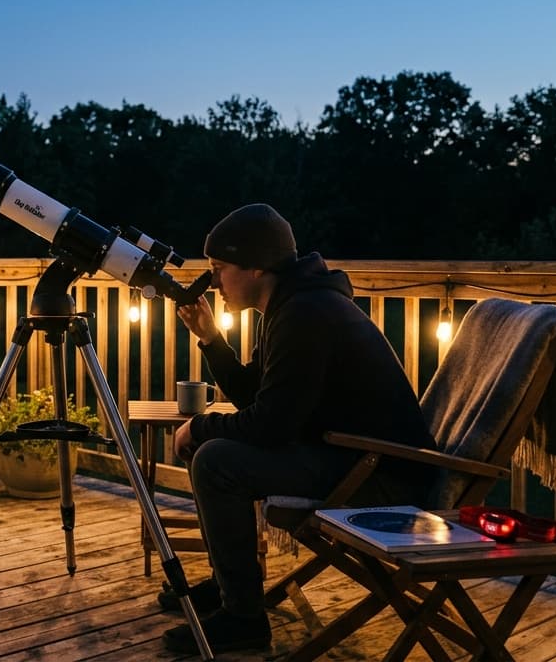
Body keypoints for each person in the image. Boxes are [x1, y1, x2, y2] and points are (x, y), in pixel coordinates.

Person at [160, 203, 436, 655]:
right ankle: (231, 587)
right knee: (212, 450)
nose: (211, 281)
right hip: (347, 456)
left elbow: (269, 426)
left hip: (381, 477)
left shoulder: (307, 313)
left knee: (215, 460)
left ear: (255, 267)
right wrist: (212, 340)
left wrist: (201, 426)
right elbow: (260, 399)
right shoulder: (292, 304)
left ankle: (243, 619)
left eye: (218, 268)